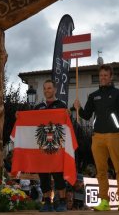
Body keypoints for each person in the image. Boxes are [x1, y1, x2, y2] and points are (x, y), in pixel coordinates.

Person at [74, 64, 119, 211]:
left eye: (106, 75)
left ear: (111, 77)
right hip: (97, 137)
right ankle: (104, 200)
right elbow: (86, 115)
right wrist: (78, 108)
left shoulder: (118, 94)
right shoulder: (94, 96)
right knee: (101, 170)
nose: (103, 78)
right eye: (101, 76)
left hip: (114, 135)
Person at [34, 79, 68, 212]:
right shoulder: (38, 107)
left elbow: (66, 125)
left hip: (57, 146)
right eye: (45, 88)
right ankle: (47, 202)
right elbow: (31, 123)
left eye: (49, 88)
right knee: (43, 175)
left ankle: (63, 202)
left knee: (58, 174)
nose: (47, 91)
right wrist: (20, 117)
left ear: (54, 90)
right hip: (42, 146)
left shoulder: (61, 105)